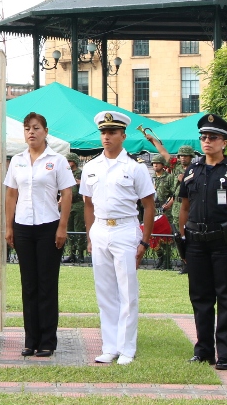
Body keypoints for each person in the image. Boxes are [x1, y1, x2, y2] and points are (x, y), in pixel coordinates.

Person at [178, 114, 227, 370]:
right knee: (200, 297)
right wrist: (183, 237)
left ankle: (226, 353)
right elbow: (184, 207)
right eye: (203, 137)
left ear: (224, 142)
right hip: (196, 242)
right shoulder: (192, 170)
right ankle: (203, 350)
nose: (207, 141)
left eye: (213, 137)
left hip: (225, 241)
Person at [81, 111, 155, 365]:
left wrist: (144, 241)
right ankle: (109, 346)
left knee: (127, 291)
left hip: (125, 228)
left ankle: (126, 348)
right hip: (100, 229)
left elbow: (148, 205)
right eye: (103, 132)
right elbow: (88, 204)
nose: (107, 137)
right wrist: (90, 235)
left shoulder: (135, 167)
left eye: (112, 132)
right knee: (104, 291)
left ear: (123, 136)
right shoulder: (91, 167)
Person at [4, 112, 76, 357]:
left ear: (46, 131)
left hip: (49, 227)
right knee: (28, 285)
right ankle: (30, 340)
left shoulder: (57, 160)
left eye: (36, 128)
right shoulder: (17, 160)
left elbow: (67, 194)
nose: (31, 132)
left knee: (46, 284)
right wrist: (9, 226)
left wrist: (62, 227)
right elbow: (11, 194)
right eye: (27, 128)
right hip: (23, 226)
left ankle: (47, 341)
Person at [151, 154, 178, 270]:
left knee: (166, 236)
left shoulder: (169, 178)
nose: (155, 165)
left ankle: (167, 261)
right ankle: (160, 257)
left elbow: (174, 193)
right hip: (154, 209)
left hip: (165, 210)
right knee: (153, 235)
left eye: (157, 163)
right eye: (153, 163)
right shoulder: (152, 178)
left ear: (163, 165)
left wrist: (168, 205)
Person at [63, 153, 85, 264]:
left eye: (69, 161)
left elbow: (89, 186)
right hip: (69, 204)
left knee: (79, 229)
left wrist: (81, 183)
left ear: (74, 162)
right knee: (69, 229)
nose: (68, 163)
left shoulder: (81, 173)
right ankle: (72, 253)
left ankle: (80, 254)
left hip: (79, 203)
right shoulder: (66, 173)